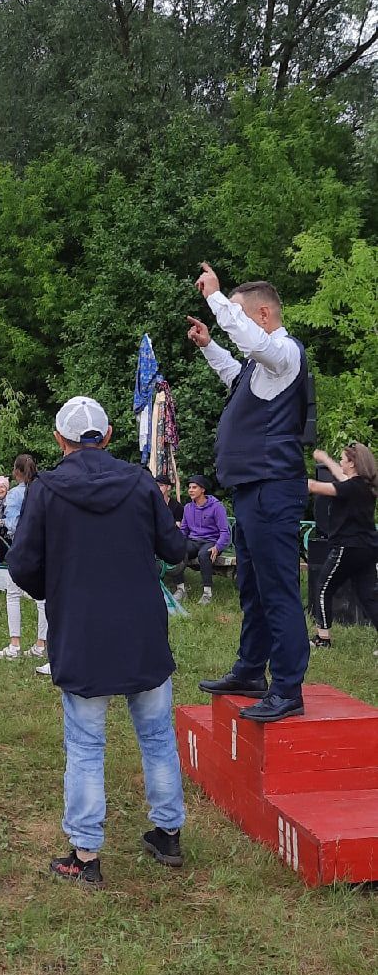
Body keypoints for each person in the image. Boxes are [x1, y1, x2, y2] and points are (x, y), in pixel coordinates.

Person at [8, 396, 188, 888]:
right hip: (142, 631)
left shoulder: (45, 489)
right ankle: (167, 833)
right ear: (106, 436)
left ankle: (85, 857)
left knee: (86, 745)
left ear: (59, 439)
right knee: (156, 737)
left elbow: (21, 564)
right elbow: (175, 549)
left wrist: (56, 590)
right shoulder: (138, 482)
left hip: (83, 633)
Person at [189, 265, 311, 721]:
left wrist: (217, 299)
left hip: (273, 489)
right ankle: (249, 671)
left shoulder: (284, 352)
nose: (231, 323)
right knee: (253, 588)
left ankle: (288, 688)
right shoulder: (263, 367)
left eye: (239, 316)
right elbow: (236, 377)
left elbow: (252, 345)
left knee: (277, 589)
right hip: (252, 491)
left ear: (263, 314)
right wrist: (209, 347)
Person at [308, 444, 378, 648]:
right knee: (369, 597)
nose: (340, 462)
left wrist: (287, 479)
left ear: (352, 463)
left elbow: (314, 487)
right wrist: (325, 458)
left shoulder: (349, 487)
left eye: (342, 459)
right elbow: (340, 475)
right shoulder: (365, 485)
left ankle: (323, 639)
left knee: (323, 589)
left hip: (347, 547)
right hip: (368, 548)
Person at [0, 455, 47, 662]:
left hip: (21, 546)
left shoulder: (15, 494)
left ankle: (15, 644)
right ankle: (41, 644)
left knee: (13, 594)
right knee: (43, 599)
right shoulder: (43, 490)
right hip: (43, 547)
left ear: (17, 472)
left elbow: (13, 523)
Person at [171, 475, 232, 605]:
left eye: (194, 487)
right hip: (194, 541)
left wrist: (218, 546)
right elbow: (184, 530)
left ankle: (207, 593)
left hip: (211, 541)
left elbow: (224, 532)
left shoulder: (217, 507)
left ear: (202, 490)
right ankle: (181, 589)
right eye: (189, 488)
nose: (190, 490)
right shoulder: (188, 508)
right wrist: (177, 542)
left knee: (204, 554)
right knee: (176, 550)